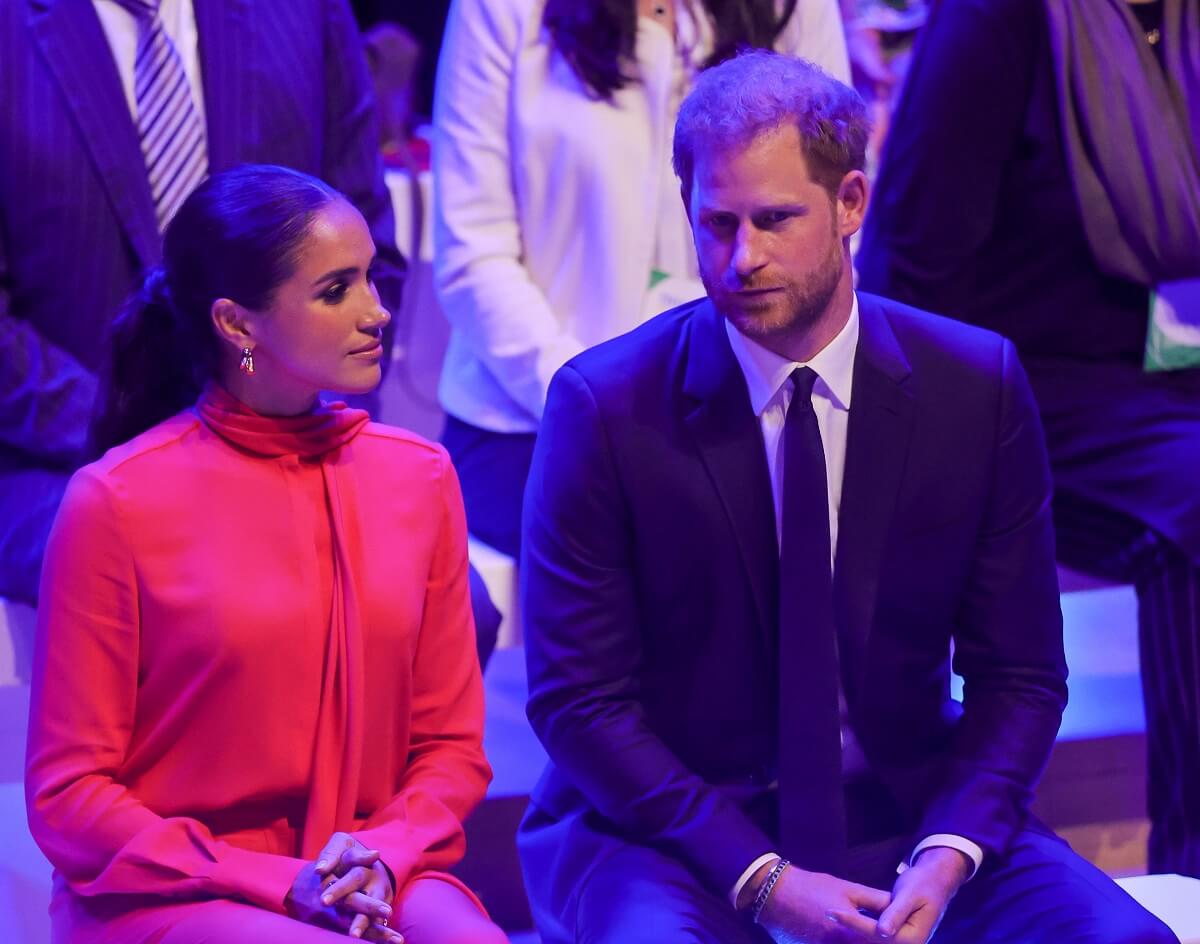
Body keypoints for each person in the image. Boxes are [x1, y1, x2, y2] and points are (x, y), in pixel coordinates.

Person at [517, 51, 1176, 943]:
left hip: (908, 809)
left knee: (1124, 940)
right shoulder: (604, 406)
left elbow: (1019, 676)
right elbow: (578, 703)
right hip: (672, 834)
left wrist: (946, 852)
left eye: (775, 220)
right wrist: (764, 879)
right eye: (716, 224)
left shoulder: (973, 385)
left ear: (852, 204)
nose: (740, 258)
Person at [24, 165, 507, 944]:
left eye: (372, 280)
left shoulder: (417, 478)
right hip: (174, 890)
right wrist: (278, 882)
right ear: (237, 324)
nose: (376, 312)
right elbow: (69, 793)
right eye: (335, 290)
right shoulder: (115, 500)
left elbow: (450, 748)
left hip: (365, 869)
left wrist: (381, 855)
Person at [856, 0, 1200, 877]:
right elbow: (911, 268)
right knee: (1194, 499)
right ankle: (1193, 876)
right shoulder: (998, 21)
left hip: (1173, 373)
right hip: (1027, 393)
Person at [431, 0, 851, 606]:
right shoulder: (501, 12)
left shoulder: (793, 9)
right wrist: (589, 401)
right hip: (531, 414)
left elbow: (825, 205)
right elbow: (473, 251)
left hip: (746, 403)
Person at [0, 0, 404, 611]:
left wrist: (295, 417)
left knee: (443, 601)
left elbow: (369, 247)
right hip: (60, 455)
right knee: (212, 597)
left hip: (295, 437)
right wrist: (150, 436)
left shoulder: (304, 13)